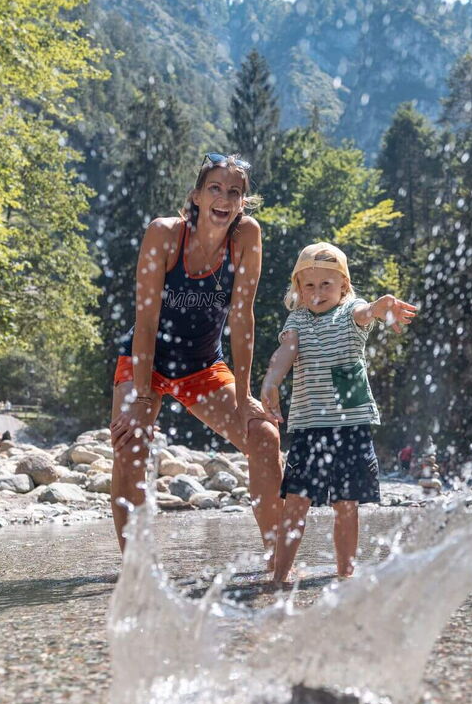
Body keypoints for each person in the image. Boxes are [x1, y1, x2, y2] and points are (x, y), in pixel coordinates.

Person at [110, 152, 283, 557]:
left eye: (234, 192)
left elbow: (242, 318)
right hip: (147, 361)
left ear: (242, 203)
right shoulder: (165, 235)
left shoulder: (246, 237)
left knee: (264, 437)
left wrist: (244, 397)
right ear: (197, 196)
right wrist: (142, 399)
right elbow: (146, 321)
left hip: (203, 366)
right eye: (215, 189)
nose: (224, 198)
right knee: (130, 442)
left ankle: (278, 562)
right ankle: (136, 568)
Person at [261, 242, 417, 582]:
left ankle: (346, 575)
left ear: (343, 285)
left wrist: (379, 307)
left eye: (326, 284)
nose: (318, 292)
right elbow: (286, 351)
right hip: (309, 427)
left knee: (346, 503)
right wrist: (272, 381)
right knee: (296, 501)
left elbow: (366, 313)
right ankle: (279, 577)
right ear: (299, 288)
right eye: (309, 285)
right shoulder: (297, 319)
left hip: (351, 426)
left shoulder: (350, 312)